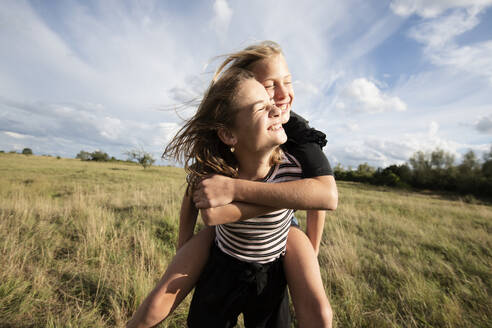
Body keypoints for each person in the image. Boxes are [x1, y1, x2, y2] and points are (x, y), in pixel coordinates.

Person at [127, 41, 337, 328]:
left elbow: (320, 197)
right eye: (267, 90)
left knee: (319, 315)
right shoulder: (220, 159)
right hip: (225, 250)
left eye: (287, 82)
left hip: (276, 247)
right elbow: (205, 207)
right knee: (159, 301)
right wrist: (183, 242)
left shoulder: (298, 147)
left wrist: (311, 250)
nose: (279, 100)